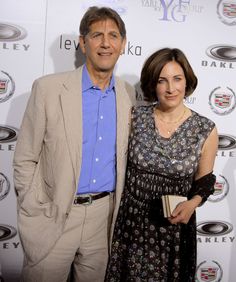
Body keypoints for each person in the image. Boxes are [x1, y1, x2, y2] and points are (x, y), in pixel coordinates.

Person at [13, 6, 136, 282]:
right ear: (82, 42)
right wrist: (34, 206)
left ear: (123, 44)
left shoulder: (129, 94)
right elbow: (25, 157)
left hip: (103, 221)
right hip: (54, 215)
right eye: (97, 35)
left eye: (113, 35)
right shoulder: (47, 89)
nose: (106, 43)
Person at [105, 48, 218, 281]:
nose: (170, 88)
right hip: (131, 227)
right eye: (162, 80)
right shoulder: (135, 117)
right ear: (152, 84)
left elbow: (205, 182)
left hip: (174, 232)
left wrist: (192, 204)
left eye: (177, 79)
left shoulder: (205, 129)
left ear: (187, 81)